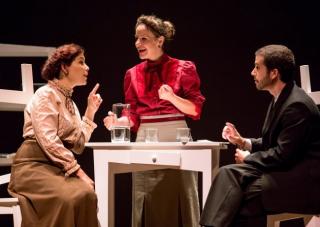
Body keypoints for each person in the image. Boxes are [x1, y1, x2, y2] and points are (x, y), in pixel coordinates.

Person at [200, 44, 320, 227]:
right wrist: (243, 142)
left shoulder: (297, 105)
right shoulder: (280, 98)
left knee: (239, 198)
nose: (252, 72)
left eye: (257, 67)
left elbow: (283, 155)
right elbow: (276, 142)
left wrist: (249, 159)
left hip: (303, 182)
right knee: (227, 173)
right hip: (284, 172)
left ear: (274, 73)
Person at [104, 15, 205, 227]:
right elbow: (132, 115)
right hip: (145, 141)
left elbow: (195, 109)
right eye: (136, 38)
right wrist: (119, 123)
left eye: (144, 39)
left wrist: (171, 98)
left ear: (159, 41)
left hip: (178, 138)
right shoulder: (132, 74)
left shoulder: (183, 68)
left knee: (183, 198)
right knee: (146, 199)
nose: (137, 43)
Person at [8, 43, 103, 227]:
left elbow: (78, 145)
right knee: (68, 199)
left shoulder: (71, 104)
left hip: (58, 168)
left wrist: (90, 112)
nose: (87, 67)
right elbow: (48, 140)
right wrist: (79, 172)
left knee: (87, 195)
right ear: (64, 67)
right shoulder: (45, 95)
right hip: (33, 167)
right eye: (81, 62)